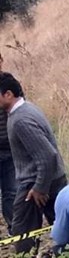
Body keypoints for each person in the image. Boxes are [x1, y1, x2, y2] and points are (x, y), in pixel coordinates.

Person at [0, 72, 68, 255]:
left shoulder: (21, 119)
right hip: (49, 178)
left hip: (36, 183)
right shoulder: (26, 109)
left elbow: (47, 155)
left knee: (23, 232)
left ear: (8, 94)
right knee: (62, 226)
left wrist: (39, 188)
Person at [0, 58, 15, 233]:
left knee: (11, 192)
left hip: (11, 149)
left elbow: (19, 108)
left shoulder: (8, 82)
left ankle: (14, 230)